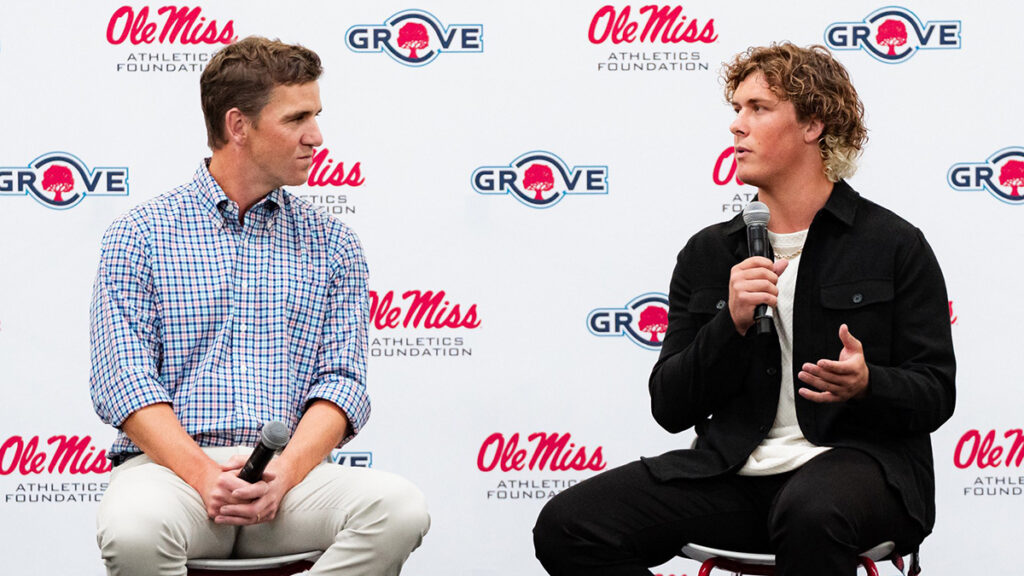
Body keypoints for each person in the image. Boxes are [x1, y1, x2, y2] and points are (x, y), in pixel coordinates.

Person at [533, 42, 955, 576]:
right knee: (569, 524)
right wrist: (727, 324)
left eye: (758, 108)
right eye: (736, 109)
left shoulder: (893, 244)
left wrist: (869, 383)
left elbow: (936, 392)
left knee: (812, 510)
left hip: (861, 472)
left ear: (813, 125)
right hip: (735, 476)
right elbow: (669, 406)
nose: (737, 125)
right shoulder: (709, 253)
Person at [90, 36, 429, 576]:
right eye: (297, 118)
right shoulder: (140, 234)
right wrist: (204, 476)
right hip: (172, 476)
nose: (316, 137)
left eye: (316, 116)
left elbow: (342, 384)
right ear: (238, 127)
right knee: (135, 531)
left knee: (398, 508)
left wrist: (286, 474)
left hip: (290, 484)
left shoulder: (334, 244)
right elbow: (124, 384)